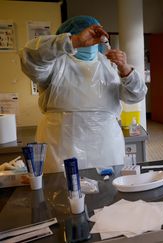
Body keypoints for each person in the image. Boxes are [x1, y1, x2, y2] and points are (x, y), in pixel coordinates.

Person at [19, 16, 147, 173]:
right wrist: (73, 42)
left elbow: (136, 95)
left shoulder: (109, 66)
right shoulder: (54, 65)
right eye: (85, 36)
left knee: (109, 191)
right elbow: (30, 56)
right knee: (61, 192)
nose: (90, 42)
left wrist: (126, 70)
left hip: (105, 147)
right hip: (60, 148)